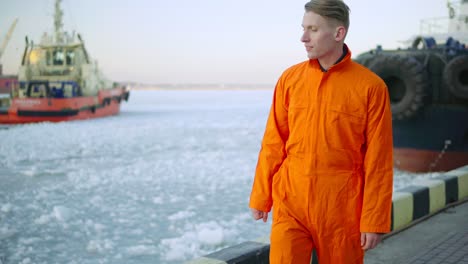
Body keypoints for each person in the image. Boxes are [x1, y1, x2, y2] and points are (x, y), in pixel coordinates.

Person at [249, 0, 393, 263]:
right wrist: (261, 195)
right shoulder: (290, 80)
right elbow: (273, 142)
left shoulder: (371, 87)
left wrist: (374, 220)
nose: (303, 37)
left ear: (339, 33)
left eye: (313, 29)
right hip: (291, 200)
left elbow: (379, 160)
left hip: (341, 207)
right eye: (303, 28)